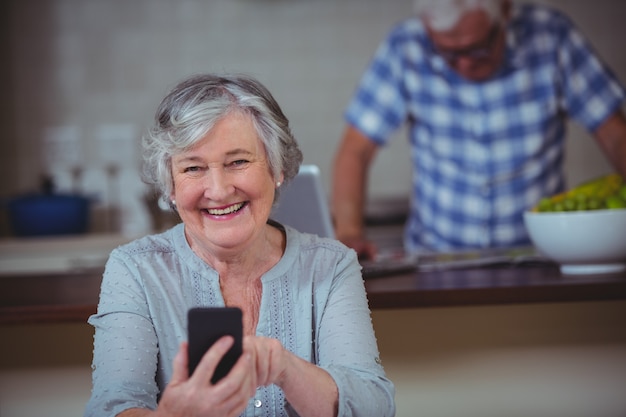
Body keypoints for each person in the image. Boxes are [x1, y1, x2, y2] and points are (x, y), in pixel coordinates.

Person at [84, 74, 396, 417]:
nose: (217, 190)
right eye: (193, 167)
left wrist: (286, 369)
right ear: (171, 187)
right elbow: (112, 407)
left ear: (276, 169)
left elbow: (374, 408)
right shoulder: (135, 268)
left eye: (238, 162)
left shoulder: (332, 265)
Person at [332, 0, 626, 259]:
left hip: (540, 257)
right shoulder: (404, 46)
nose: (463, 65)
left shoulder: (552, 35)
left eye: (477, 49)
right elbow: (356, 150)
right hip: (435, 260)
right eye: (448, 53)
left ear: (505, 9)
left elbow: (615, 136)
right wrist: (349, 233)